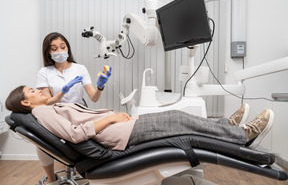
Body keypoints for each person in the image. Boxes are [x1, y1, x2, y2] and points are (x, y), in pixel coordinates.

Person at [6, 85, 274, 151]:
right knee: (180, 120)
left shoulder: (47, 107)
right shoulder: (41, 111)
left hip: (122, 129)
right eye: (33, 91)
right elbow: (75, 134)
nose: (39, 90)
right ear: (27, 102)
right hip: (120, 134)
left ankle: (226, 126)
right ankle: (242, 135)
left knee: (179, 118)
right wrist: (111, 120)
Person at [34, 32, 112, 184]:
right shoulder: (44, 72)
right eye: (54, 49)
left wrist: (100, 86)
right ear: (48, 52)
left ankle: (88, 174)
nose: (59, 51)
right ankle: (52, 179)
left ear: (68, 48)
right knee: (41, 141)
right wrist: (62, 92)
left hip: (78, 113)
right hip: (56, 114)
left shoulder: (80, 69)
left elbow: (94, 98)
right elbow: (46, 102)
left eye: (62, 47)